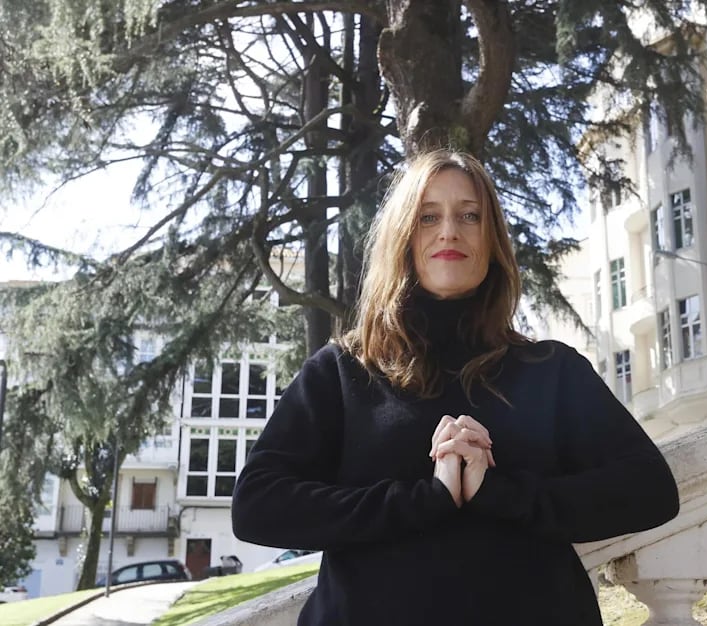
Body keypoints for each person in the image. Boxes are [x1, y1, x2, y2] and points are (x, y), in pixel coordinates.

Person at [232, 149, 680, 626]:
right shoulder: (344, 371)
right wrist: (426, 498)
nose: (449, 231)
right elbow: (258, 505)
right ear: (404, 237)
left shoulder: (552, 371)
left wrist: (499, 492)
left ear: (492, 240)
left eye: (470, 215)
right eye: (429, 217)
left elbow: (650, 490)